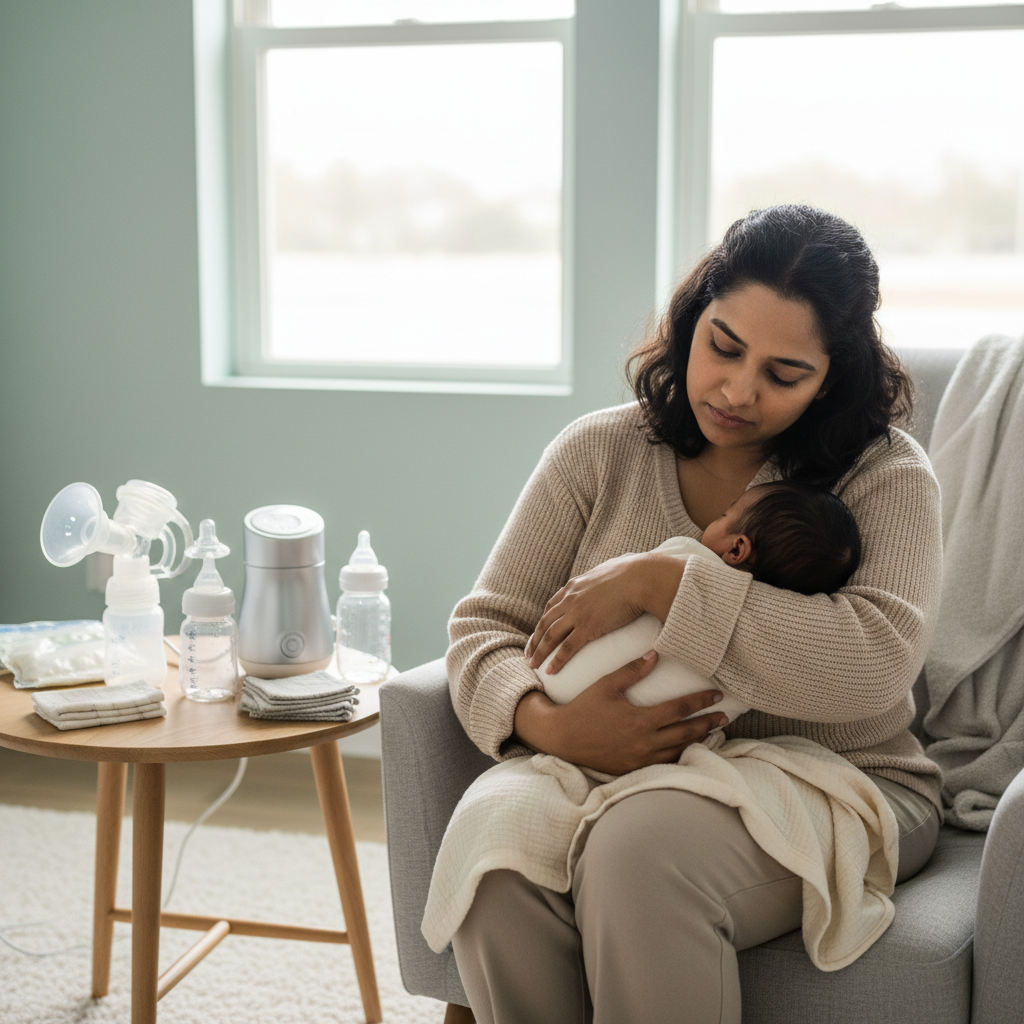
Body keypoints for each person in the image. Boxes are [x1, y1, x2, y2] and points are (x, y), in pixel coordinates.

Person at [446, 204, 944, 1024]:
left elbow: (874, 660)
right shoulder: (596, 452)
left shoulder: (885, 474)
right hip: (595, 768)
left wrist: (666, 584)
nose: (739, 391)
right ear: (691, 320)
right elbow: (483, 630)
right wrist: (549, 726)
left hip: (837, 780)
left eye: (785, 375)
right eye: (724, 346)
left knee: (640, 850)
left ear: (834, 375)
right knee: (499, 852)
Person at [537, 480, 863, 723]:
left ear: (737, 549)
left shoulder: (682, 556)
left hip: (549, 677)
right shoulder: (758, 676)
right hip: (635, 750)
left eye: (725, 515)